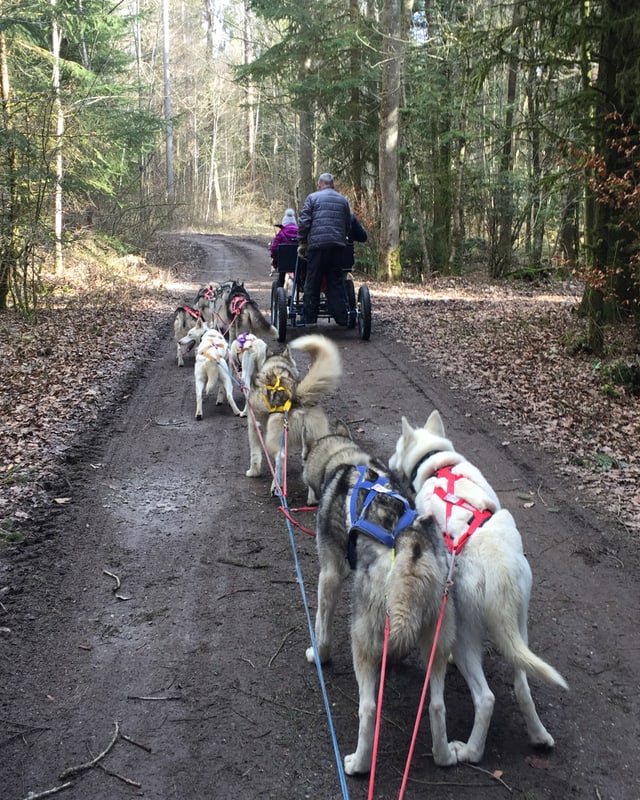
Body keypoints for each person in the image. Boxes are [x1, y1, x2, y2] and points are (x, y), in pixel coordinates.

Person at [296, 173, 352, 326]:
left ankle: (309, 318)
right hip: (337, 246)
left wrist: (301, 238)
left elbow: (305, 222)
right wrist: (342, 237)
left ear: (320, 184)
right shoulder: (343, 201)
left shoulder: (312, 198)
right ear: (333, 185)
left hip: (317, 247)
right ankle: (341, 318)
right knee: (335, 281)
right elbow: (347, 224)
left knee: (312, 281)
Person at [269, 208, 298, 275]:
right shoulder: (300, 233)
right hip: (298, 265)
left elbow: (274, 249)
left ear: (284, 222)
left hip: (284, 264)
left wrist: (275, 262)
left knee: (281, 277)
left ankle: (280, 283)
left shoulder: (281, 233)